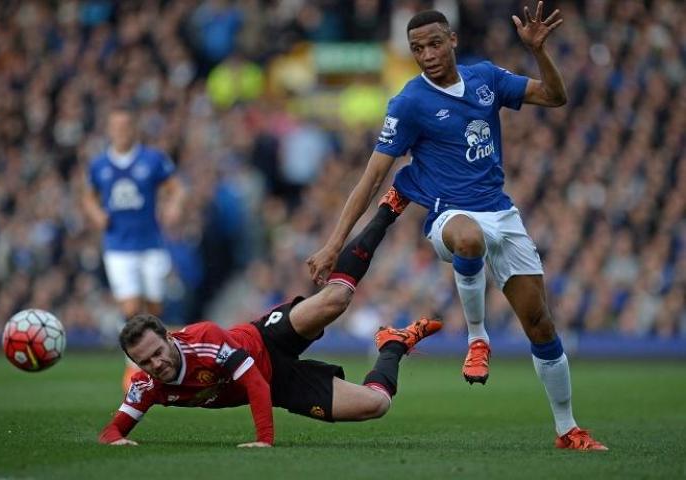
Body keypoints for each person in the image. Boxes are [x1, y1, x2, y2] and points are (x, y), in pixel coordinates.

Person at [306, 3, 607, 451]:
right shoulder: (408, 103)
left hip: (501, 215)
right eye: (416, 48)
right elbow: (371, 179)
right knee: (467, 237)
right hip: (449, 216)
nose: (426, 54)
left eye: (432, 44)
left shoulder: (485, 78)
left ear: (452, 41)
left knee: (541, 324)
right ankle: (478, 338)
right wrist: (334, 244)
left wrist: (540, 52)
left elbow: (554, 96)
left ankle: (568, 429)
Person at [98, 209, 443, 447]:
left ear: (169, 337)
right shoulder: (148, 384)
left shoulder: (205, 340)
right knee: (376, 405)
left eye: (157, 353)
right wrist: (116, 439)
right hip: (279, 385)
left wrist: (264, 439)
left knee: (335, 300)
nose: (156, 364)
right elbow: (112, 431)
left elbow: (251, 382)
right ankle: (393, 345)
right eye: (145, 362)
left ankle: (387, 211)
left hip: (265, 338)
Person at [83, 106, 186, 390]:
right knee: (130, 307)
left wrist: (174, 205)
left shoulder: (152, 159)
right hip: (118, 246)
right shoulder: (99, 164)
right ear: (109, 130)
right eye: (116, 126)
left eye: (126, 126)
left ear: (134, 128)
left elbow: (176, 187)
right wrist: (95, 214)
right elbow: (89, 197)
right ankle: (132, 367)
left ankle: (160, 359)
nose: (121, 131)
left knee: (153, 308)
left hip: (151, 244)